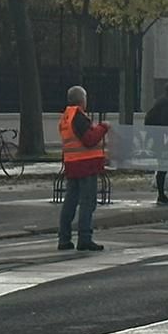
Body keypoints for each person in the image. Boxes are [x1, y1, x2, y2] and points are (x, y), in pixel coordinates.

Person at [57, 85, 110, 251]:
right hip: (85, 165)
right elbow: (89, 139)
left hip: (72, 164)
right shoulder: (79, 117)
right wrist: (103, 128)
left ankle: (64, 239)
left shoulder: (66, 117)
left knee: (70, 202)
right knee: (87, 203)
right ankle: (84, 238)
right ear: (82, 100)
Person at [144, 82, 168, 204]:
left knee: (163, 167)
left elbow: (148, 119)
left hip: (160, 139)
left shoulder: (159, 103)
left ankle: (162, 195)